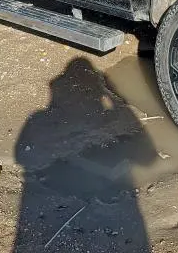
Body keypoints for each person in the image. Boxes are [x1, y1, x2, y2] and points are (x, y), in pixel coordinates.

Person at [13, 57, 156, 252]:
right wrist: (113, 97)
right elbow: (148, 158)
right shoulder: (46, 122)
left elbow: (22, 155)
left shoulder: (38, 119)